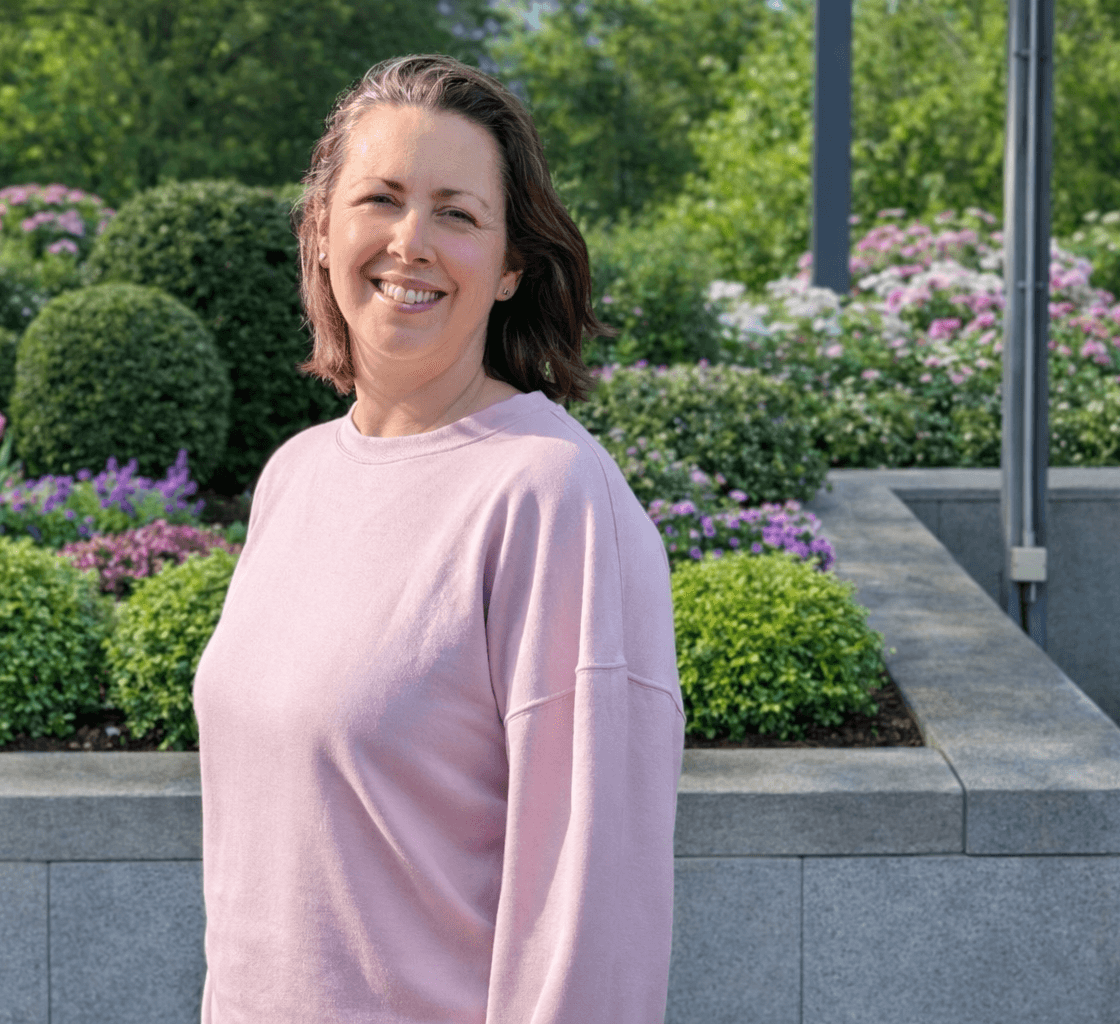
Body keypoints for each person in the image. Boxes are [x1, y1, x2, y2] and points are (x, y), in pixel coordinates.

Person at [191, 53, 685, 1024]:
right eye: (380, 198)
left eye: (456, 213)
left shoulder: (550, 494)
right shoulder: (296, 476)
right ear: (322, 231)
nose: (411, 241)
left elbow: (593, 910)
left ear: (509, 267)